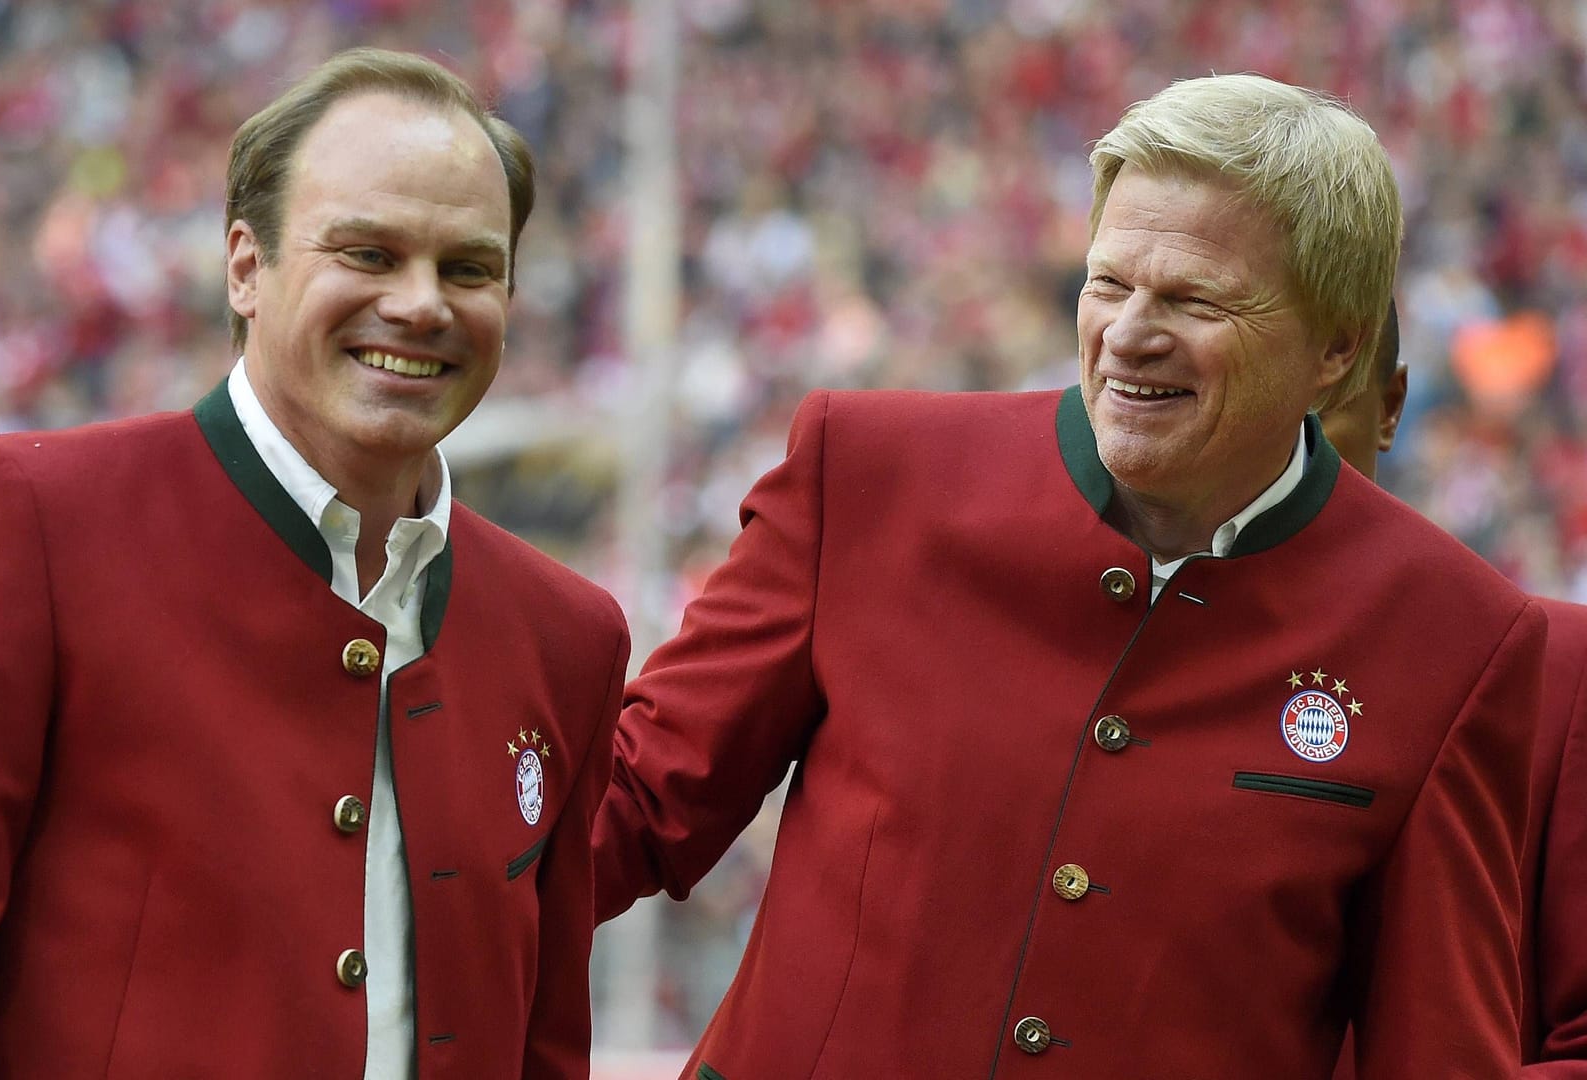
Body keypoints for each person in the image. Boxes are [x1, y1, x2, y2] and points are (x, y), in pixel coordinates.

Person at [595, 74, 1544, 1077]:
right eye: (1107, 283)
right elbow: (629, 811)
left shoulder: (1458, 639)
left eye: (1194, 299)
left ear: (1338, 350)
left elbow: (1436, 1049)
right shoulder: (865, 474)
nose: (1128, 334)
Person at [0, 47, 628, 1079]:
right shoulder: (20, 525)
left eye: (469, 267)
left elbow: (543, 1049)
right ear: (245, 267)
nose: (423, 304)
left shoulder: (568, 637)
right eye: (368, 252)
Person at [1323, 306, 1587, 1075]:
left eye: (1317, 415)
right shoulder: (1141, 663)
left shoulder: (1558, 668)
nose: (1279, 459)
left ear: (1392, 407)